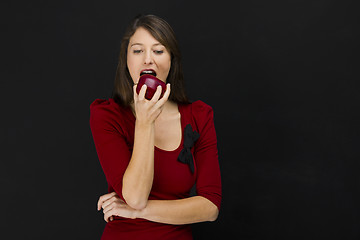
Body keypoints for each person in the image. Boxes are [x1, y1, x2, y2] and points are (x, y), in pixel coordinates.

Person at [90, 14, 222, 240]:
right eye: (138, 50)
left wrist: (134, 211)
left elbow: (210, 207)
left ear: (171, 60)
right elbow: (136, 196)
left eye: (158, 51)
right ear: (127, 59)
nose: (147, 59)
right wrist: (144, 123)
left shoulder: (199, 116)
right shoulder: (107, 115)